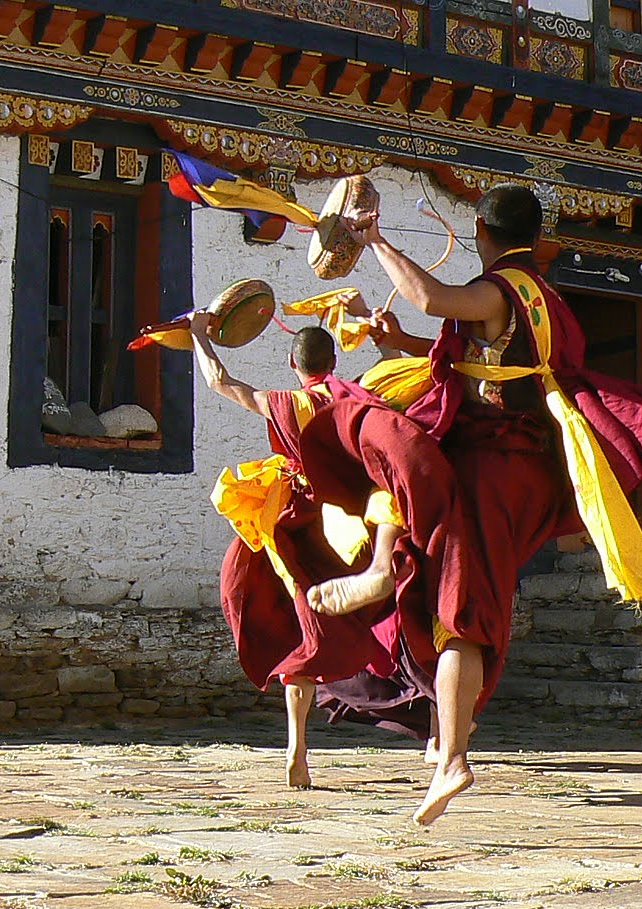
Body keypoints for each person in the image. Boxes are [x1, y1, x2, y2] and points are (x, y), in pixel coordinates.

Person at [321, 183, 642, 823]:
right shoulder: (545, 298)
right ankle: (442, 725)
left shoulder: (502, 288)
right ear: (535, 235)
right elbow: (485, 364)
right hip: (519, 470)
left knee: (461, 608)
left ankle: (452, 755)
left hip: (491, 469)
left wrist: (375, 239)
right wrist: (403, 341)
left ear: (480, 232)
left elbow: (433, 296)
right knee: (446, 587)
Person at [192, 315, 469, 787]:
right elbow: (400, 379)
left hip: (299, 530)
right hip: (355, 530)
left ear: (292, 363)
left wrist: (199, 336)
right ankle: (439, 735)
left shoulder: (284, 403)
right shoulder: (357, 397)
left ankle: (298, 747)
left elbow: (220, 381)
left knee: (306, 633)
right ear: (334, 361)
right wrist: (383, 336)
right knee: (405, 618)